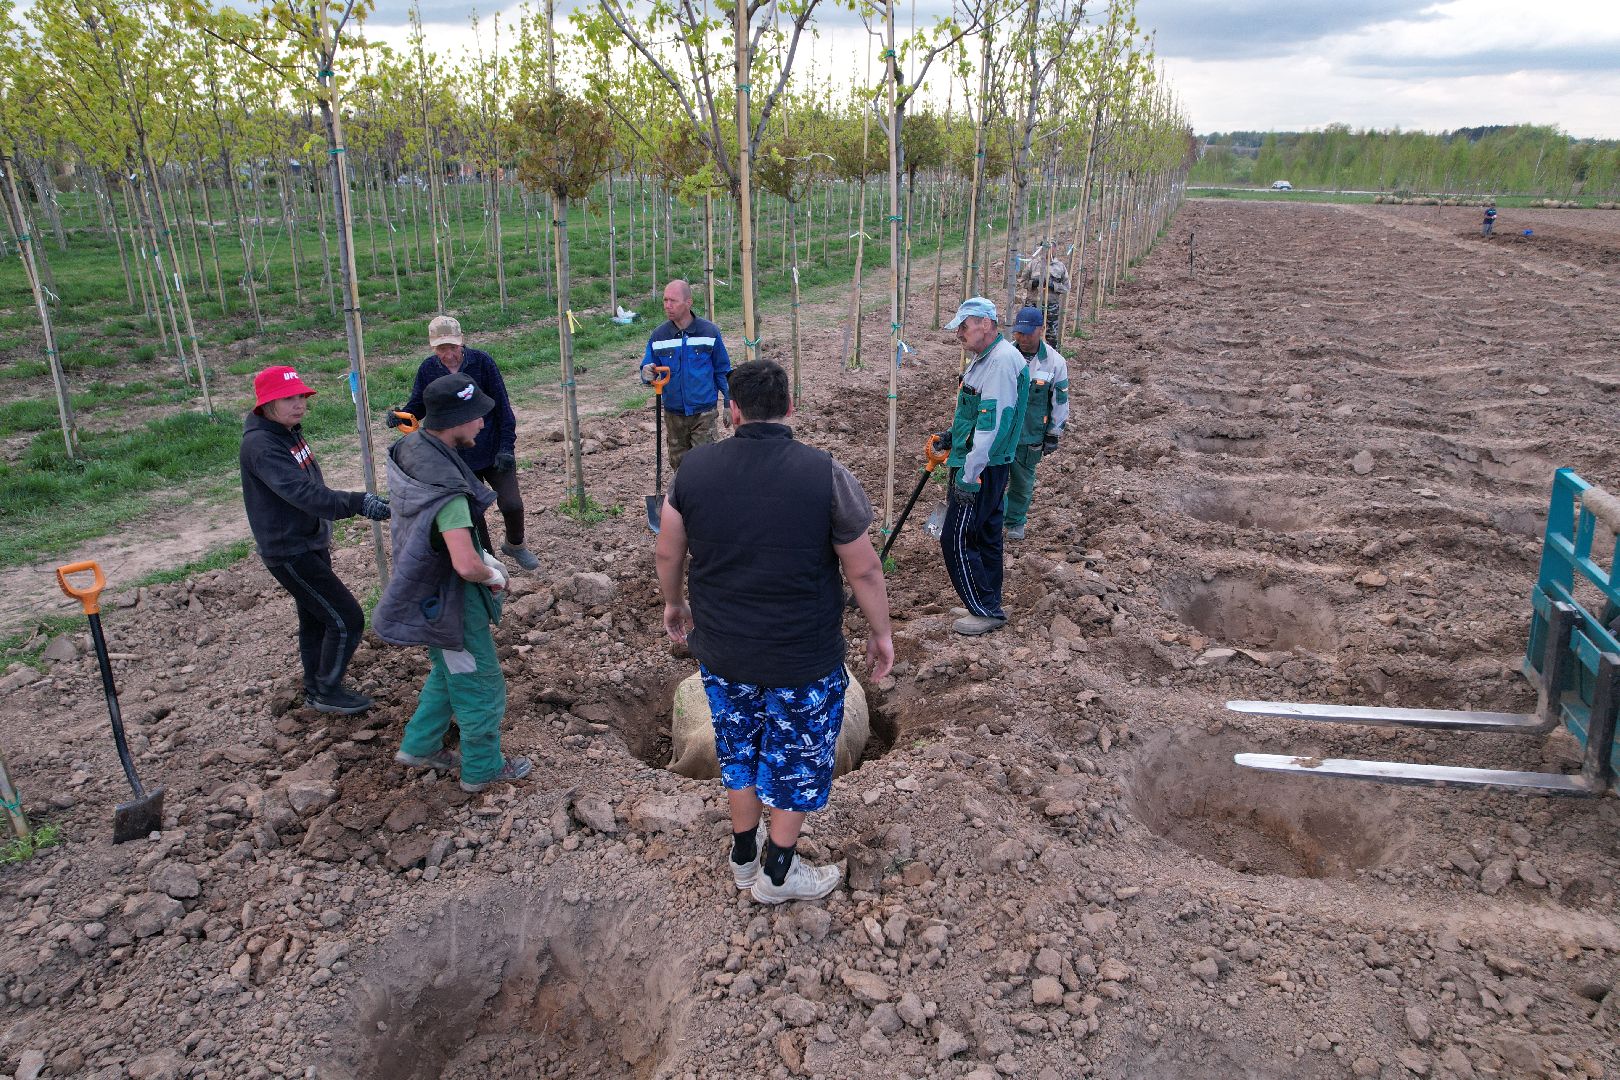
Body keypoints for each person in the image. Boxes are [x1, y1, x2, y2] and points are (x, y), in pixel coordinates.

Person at [655, 360, 893, 904]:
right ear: (790, 408)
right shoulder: (825, 473)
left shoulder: (692, 471)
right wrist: (881, 633)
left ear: (731, 411)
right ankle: (777, 875)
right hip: (801, 658)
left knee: (737, 749)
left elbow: (669, 548)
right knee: (799, 760)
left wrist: (674, 604)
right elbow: (863, 569)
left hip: (723, 650)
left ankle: (744, 857)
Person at [374, 373, 532, 795]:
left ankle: (419, 745)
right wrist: (493, 573)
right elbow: (463, 563)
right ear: (456, 419)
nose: (483, 425)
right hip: (451, 602)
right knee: (479, 682)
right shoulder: (448, 492)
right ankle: (482, 769)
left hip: (424, 589)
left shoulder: (413, 448)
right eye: (477, 417)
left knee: (448, 671)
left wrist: (482, 555)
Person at [239, 366, 392, 714]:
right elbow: (301, 493)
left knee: (315, 618)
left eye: (300, 397)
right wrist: (357, 503)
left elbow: (310, 489)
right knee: (346, 618)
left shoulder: (288, 432)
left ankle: (316, 687)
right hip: (289, 550)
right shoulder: (262, 445)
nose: (298, 404)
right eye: (287, 398)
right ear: (266, 404)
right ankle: (326, 690)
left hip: (307, 541)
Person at [391, 315, 537, 571]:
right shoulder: (428, 370)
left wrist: (506, 447)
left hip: (491, 448)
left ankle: (515, 544)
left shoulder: (482, 363)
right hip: (457, 456)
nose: (448, 354)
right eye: (441, 348)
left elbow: (502, 406)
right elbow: (420, 406)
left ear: (461, 343)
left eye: (452, 347)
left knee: (512, 504)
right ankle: (487, 562)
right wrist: (401, 415)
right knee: (473, 515)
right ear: (433, 348)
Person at [940, 297, 1029, 636]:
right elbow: (976, 414)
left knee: (957, 537)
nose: (959, 333)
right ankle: (987, 599)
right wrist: (952, 436)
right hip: (983, 462)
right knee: (986, 534)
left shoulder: (1001, 362)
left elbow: (994, 425)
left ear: (985, 324)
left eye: (964, 326)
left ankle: (983, 608)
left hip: (982, 466)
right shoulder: (986, 358)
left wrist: (968, 475)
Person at [639, 279, 732, 473]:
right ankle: (683, 500)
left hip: (703, 413)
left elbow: (722, 370)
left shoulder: (709, 332)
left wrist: (728, 403)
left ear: (688, 303)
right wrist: (646, 373)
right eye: (665, 300)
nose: (667, 305)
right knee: (679, 466)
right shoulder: (659, 336)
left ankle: (706, 500)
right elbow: (649, 366)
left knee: (706, 464)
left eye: (673, 300)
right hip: (674, 414)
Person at [1004, 306, 1071, 542]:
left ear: (1041, 330)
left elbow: (1060, 400)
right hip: (1001, 432)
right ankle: (994, 518)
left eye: (1028, 333)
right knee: (993, 480)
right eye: (1019, 333)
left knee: (1022, 482)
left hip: (1030, 434)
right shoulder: (1004, 356)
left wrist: (1054, 433)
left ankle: (1015, 521)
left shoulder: (1054, 362)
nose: (1022, 338)